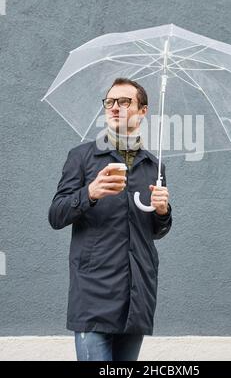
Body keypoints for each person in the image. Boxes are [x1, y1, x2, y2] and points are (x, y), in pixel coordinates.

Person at [48, 77, 172, 361]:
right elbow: (56, 215)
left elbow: (154, 231)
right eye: (110, 102)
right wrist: (89, 193)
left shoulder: (155, 165)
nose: (115, 107)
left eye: (125, 102)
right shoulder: (82, 157)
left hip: (137, 294)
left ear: (142, 111)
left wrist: (163, 212)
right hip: (93, 294)